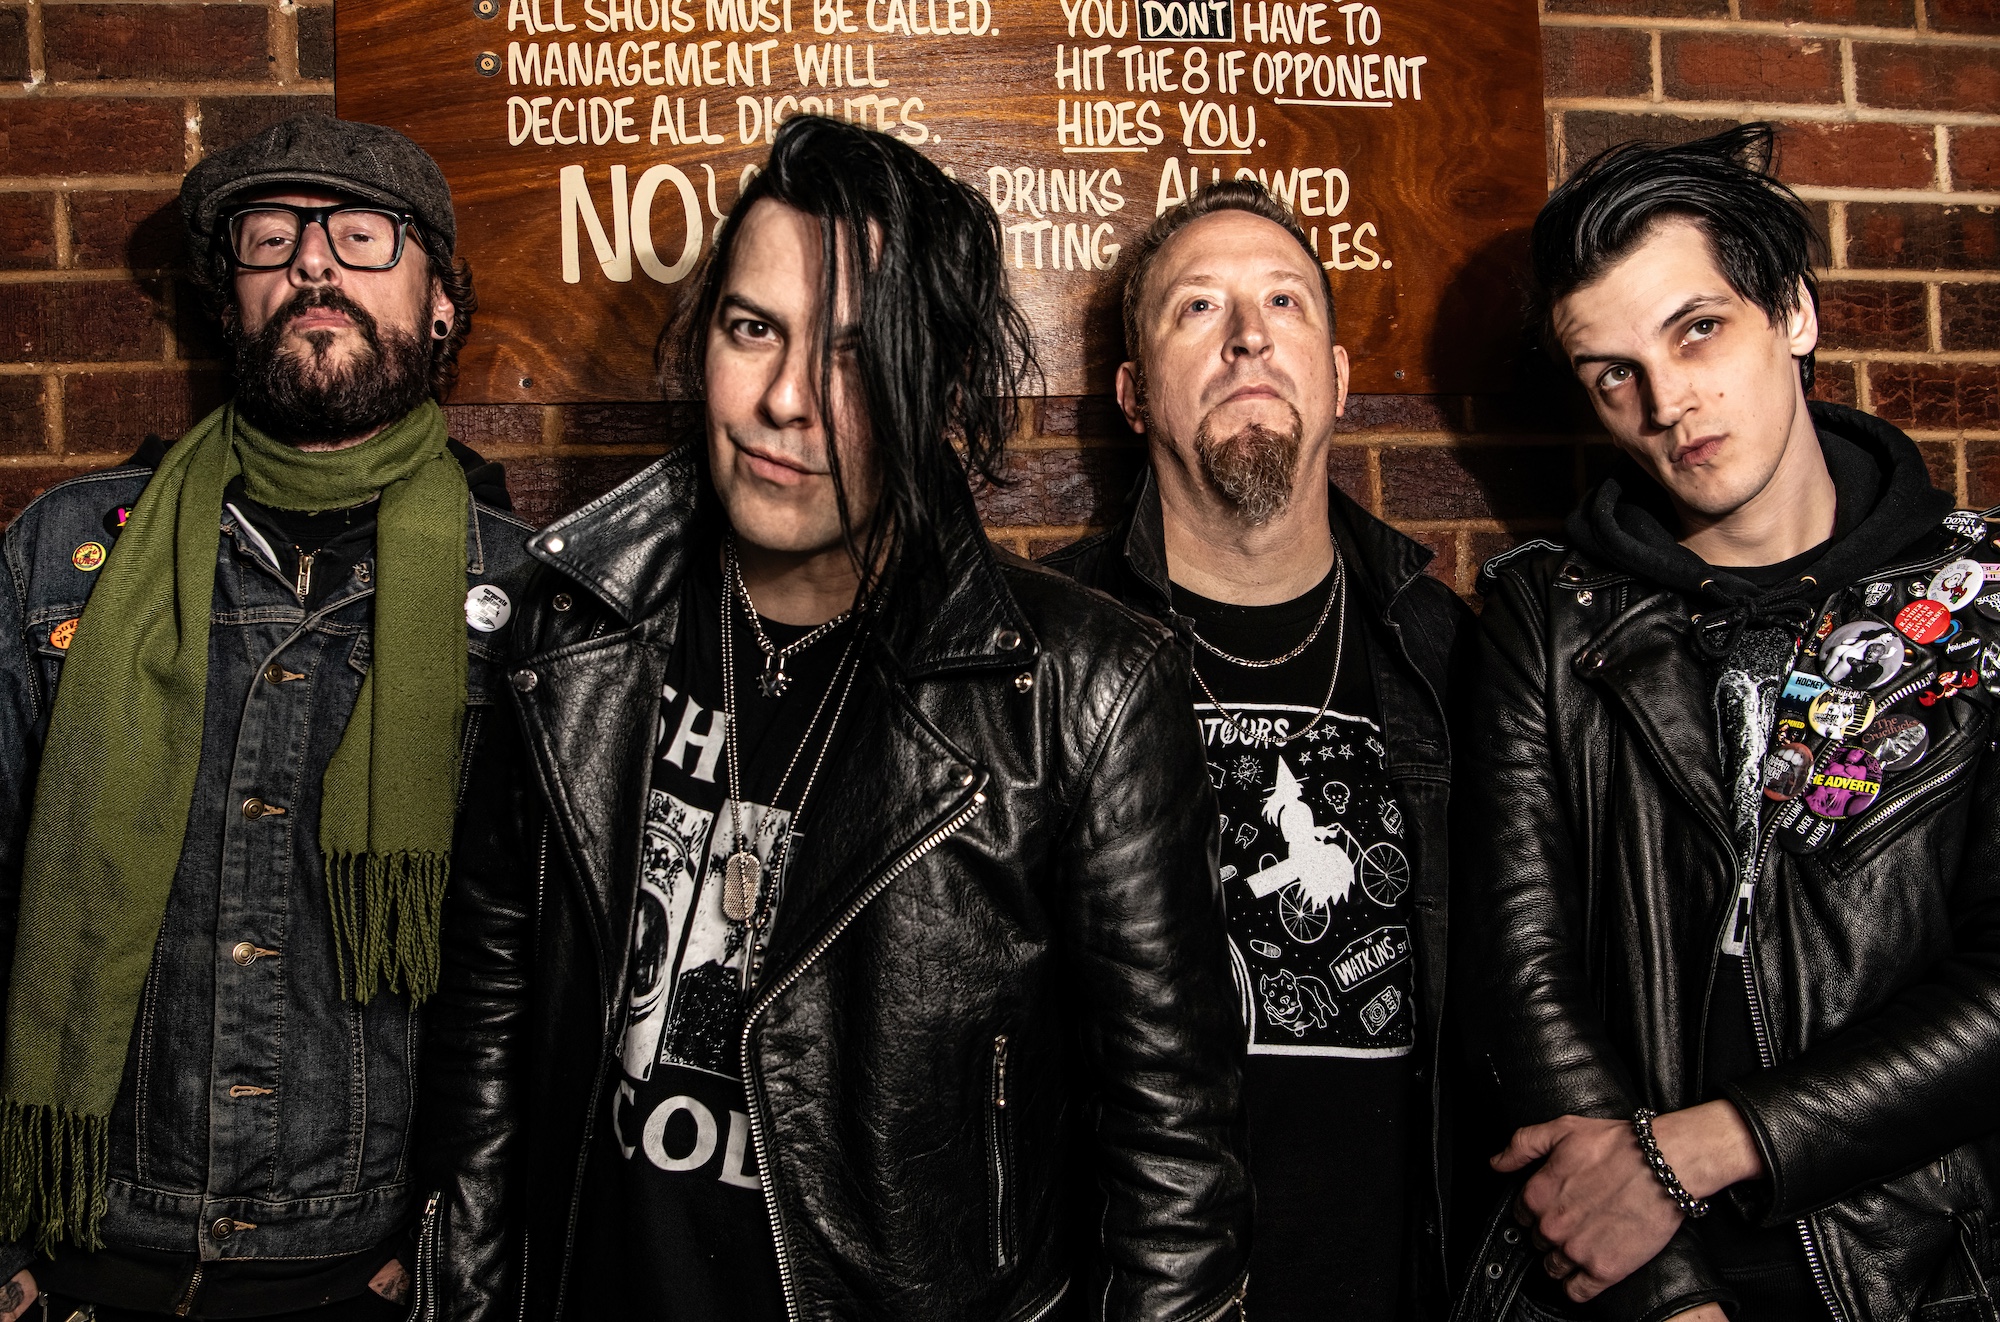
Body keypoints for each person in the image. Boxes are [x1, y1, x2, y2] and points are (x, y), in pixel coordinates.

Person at [414, 115, 1253, 1321]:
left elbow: (1172, 1168)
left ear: (944, 389)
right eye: (752, 328)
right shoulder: (570, 634)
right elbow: (486, 1036)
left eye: (857, 356)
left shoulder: (1082, 693)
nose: (783, 400)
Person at [1453, 122, 2000, 1322]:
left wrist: (1703, 1145)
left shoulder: (1978, 597)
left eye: (1695, 328)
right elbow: (1522, 971)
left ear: (1792, 312)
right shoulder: (1546, 616)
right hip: (1630, 1279)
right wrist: (1663, 1293)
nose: (1666, 402)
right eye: (1612, 373)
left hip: (1916, 1269)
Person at [0, 114, 535, 1320]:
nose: (313, 263)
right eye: (271, 236)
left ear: (440, 304)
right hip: (85, 1252)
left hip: (361, 1268)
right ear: (229, 298)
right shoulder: (65, 557)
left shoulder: (524, 593)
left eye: (362, 234)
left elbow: (531, 974)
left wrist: (449, 1242)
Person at [1042, 180, 1472, 1320]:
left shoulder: (1447, 657)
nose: (1247, 337)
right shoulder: (1041, 656)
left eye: (1284, 302)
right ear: (1133, 395)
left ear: (1335, 375)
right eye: (1197, 308)